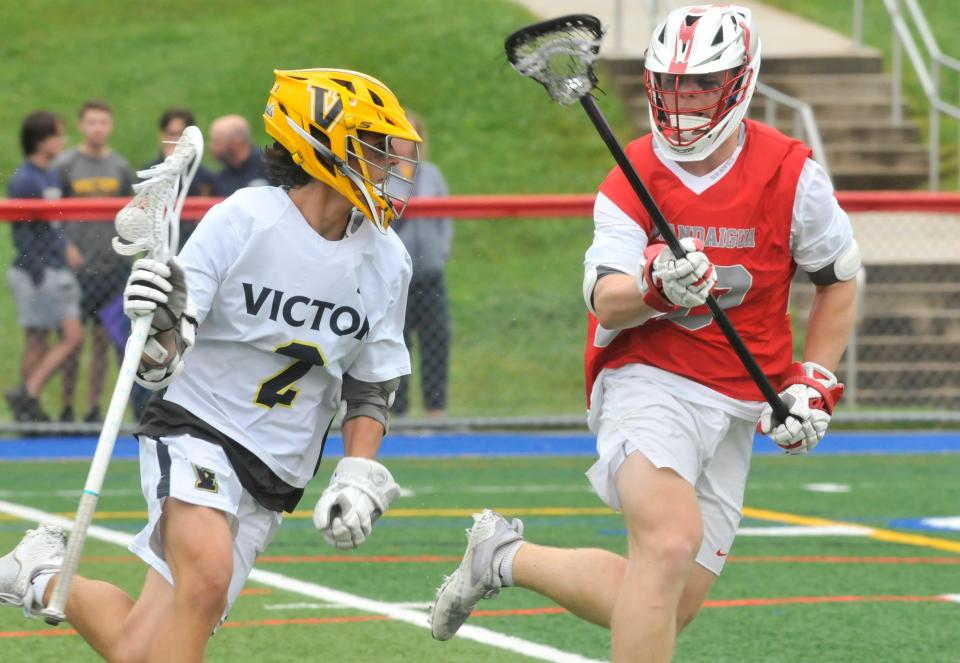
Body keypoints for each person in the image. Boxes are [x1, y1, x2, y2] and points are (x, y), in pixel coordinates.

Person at [429, 6, 860, 662]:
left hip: (742, 396)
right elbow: (606, 299)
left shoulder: (792, 173)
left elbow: (840, 278)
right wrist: (657, 288)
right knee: (666, 544)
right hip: (649, 378)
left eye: (700, 86)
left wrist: (816, 381)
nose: (682, 103)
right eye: (670, 85)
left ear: (741, 81)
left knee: (664, 596)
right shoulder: (630, 177)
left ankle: (503, 556)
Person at [0, 68, 421, 662]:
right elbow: (161, 354)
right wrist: (155, 316)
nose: (391, 165)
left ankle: (37, 576)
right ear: (323, 145)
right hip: (199, 427)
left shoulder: (388, 260)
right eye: (375, 147)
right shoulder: (246, 219)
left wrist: (357, 470)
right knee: (204, 582)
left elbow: (372, 382)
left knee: (139, 647)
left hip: (277, 468)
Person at [130, 108, 217, 420]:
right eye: (170, 133)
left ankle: (183, 410)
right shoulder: (151, 172)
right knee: (147, 338)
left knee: (188, 344)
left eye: (181, 134)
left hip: (194, 275)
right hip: (156, 273)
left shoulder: (206, 179)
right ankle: (143, 411)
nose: (174, 142)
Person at [54, 100, 135, 423]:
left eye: (103, 122)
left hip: (111, 267)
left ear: (110, 126)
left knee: (103, 342)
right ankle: (66, 406)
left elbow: (132, 214)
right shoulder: (66, 164)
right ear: (81, 126)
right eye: (92, 122)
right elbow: (51, 214)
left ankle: (92, 408)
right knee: (71, 342)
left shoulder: (119, 166)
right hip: (76, 268)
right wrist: (65, 246)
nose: (97, 128)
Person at [4, 111, 85, 423]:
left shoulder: (50, 175)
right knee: (47, 337)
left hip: (54, 266)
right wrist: (37, 272)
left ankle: (28, 394)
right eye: (58, 135)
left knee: (63, 335)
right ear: (42, 139)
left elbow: (53, 223)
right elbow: (22, 233)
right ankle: (29, 399)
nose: (63, 141)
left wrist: (67, 247)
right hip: (37, 272)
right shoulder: (25, 179)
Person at [389, 113, 453, 418]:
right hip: (396, 279)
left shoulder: (431, 174)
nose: (406, 142)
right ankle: (396, 413)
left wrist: (440, 253)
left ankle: (435, 412)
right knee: (395, 344)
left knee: (436, 341)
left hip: (429, 276)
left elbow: (446, 219)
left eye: (411, 136)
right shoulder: (382, 175)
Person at [209, 114, 271, 196]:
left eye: (217, 142)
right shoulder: (220, 179)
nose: (211, 147)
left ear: (236, 143)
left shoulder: (272, 166)